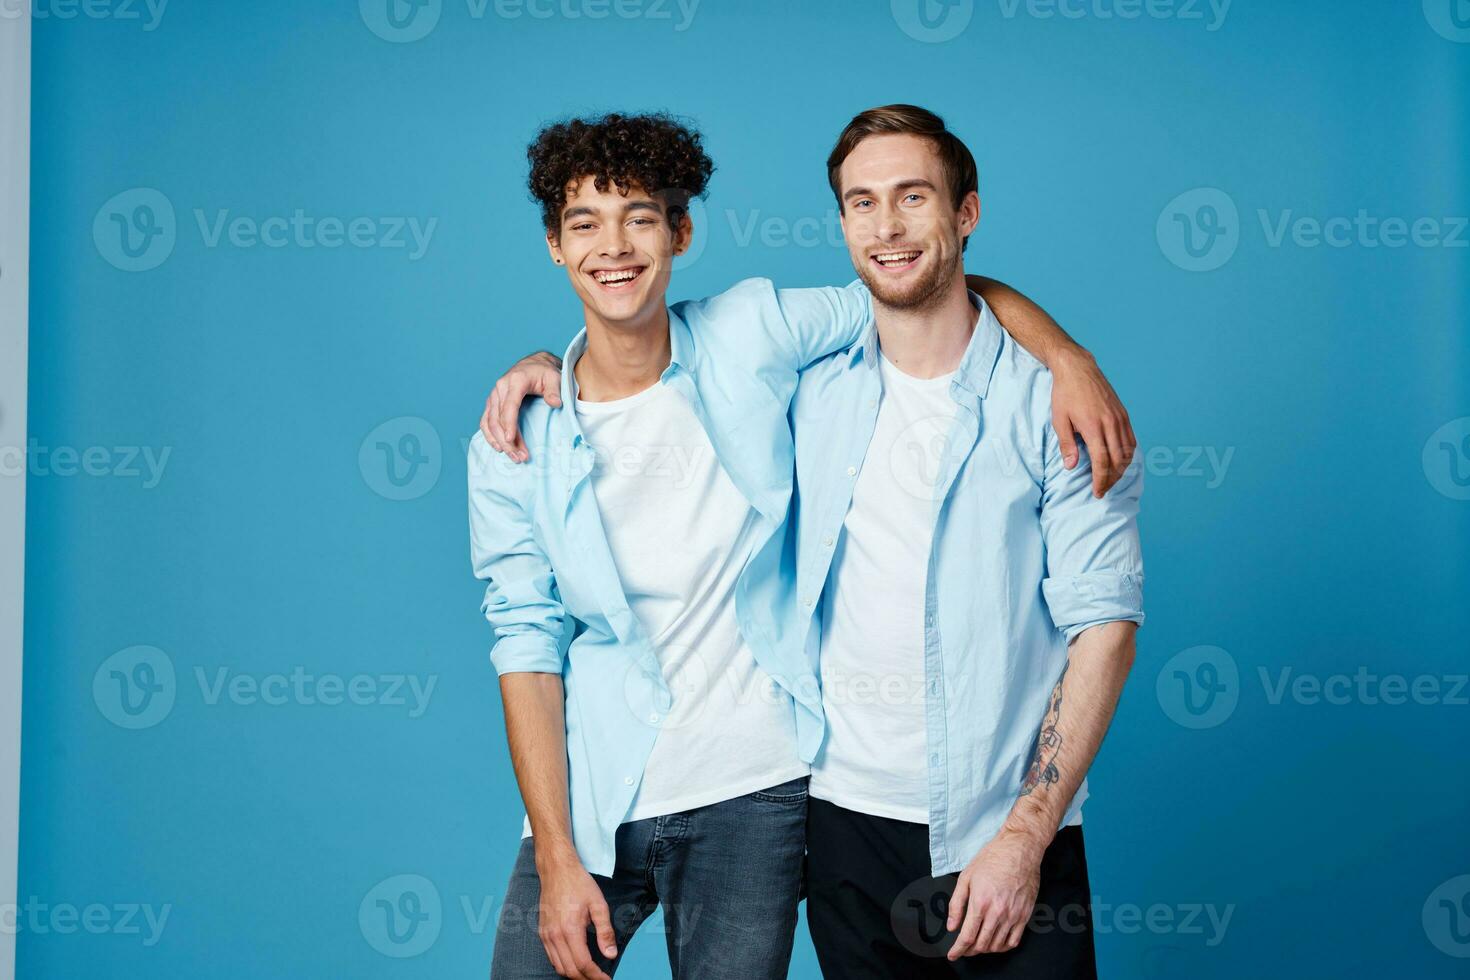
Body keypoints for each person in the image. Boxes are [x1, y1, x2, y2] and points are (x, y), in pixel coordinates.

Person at [471, 110, 1134, 980]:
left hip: (764, 791)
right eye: (585, 223)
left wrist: (1068, 356)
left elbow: (923, 285)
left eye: (639, 216)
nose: (614, 245)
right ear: (556, 245)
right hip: (619, 795)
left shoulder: (755, 336)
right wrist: (556, 853)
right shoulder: (521, 436)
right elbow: (526, 640)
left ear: (681, 231)